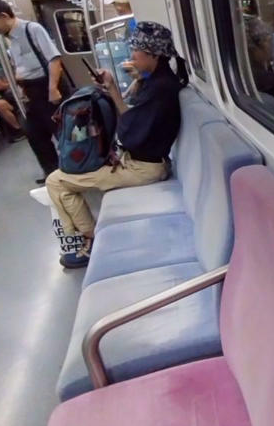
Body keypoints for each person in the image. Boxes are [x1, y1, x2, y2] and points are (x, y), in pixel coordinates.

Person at [46, 22, 187, 268]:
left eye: (136, 50)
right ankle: (85, 236)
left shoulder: (160, 89)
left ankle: (88, 241)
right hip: (146, 161)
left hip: (143, 168)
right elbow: (133, 124)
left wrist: (113, 95)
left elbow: (129, 134)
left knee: (56, 182)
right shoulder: (158, 81)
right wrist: (116, 86)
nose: (132, 55)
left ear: (153, 54)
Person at [0, 0, 69, 184]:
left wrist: (52, 88)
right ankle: (53, 174)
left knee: (62, 132)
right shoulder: (9, 39)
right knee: (34, 133)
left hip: (48, 86)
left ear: (2, 16)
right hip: (31, 90)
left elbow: (54, 59)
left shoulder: (31, 29)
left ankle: (77, 169)